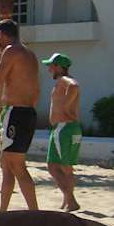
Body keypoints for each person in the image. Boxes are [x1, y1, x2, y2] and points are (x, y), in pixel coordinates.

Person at [0, 19, 40, 212]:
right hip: (27, 113)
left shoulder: (11, 51)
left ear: (1, 35)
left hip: (16, 114)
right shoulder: (30, 54)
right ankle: (3, 211)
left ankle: (35, 213)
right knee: (6, 165)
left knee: (17, 166)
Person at [43, 53, 82, 212]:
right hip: (64, 128)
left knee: (56, 167)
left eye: (51, 66)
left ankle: (71, 201)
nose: (49, 69)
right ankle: (68, 199)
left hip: (64, 128)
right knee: (62, 167)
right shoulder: (60, 82)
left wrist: (66, 106)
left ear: (59, 67)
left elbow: (74, 86)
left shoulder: (64, 80)